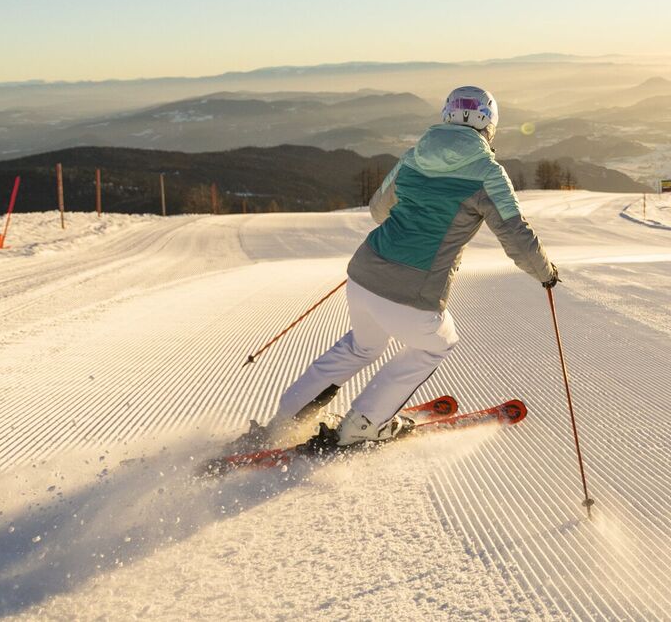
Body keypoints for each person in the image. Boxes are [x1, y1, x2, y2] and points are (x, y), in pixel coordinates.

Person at [234, 85, 558, 453]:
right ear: (490, 126)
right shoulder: (488, 173)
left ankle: (286, 418)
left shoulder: (413, 156)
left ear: (446, 115)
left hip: (364, 273)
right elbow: (517, 235)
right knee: (438, 342)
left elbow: (378, 210)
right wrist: (545, 273)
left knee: (362, 345)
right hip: (413, 289)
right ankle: (365, 423)